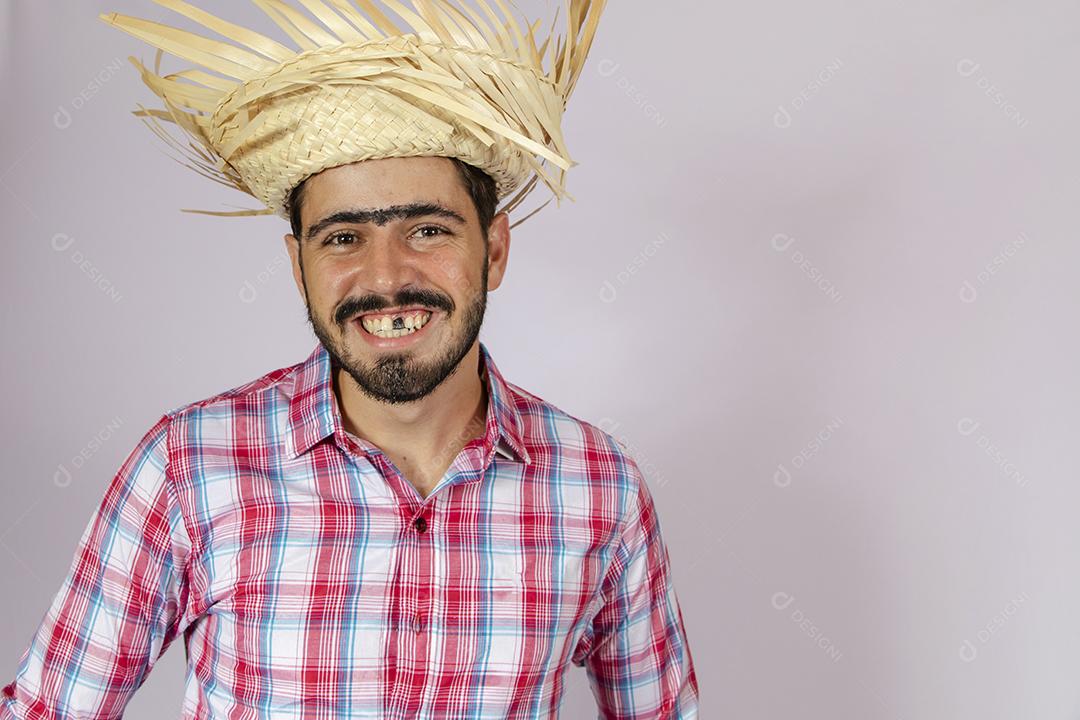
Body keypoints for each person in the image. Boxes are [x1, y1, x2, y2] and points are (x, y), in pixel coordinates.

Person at [1, 1, 699, 717]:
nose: (385, 276)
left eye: (427, 229)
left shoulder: (601, 487)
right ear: (297, 263)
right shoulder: (187, 468)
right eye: (342, 238)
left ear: (493, 251)